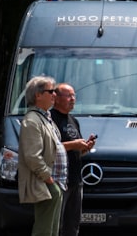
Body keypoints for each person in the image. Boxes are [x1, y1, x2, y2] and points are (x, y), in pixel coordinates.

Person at [18, 76, 67, 236]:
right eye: (51, 91)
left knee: (52, 230)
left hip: (54, 183)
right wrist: (48, 178)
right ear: (38, 95)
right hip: (45, 184)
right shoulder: (32, 120)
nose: (55, 95)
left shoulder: (45, 118)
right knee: (44, 230)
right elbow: (32, 156)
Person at [51, 83, 96, 236]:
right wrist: (74, 144)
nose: (73, 99)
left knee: (72, 225)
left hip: (76, 180)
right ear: (56, 98)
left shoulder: (73, 120)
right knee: (56, 224)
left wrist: (84, 147)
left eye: (74, 95)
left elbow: (75, 151)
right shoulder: (50, 120)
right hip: (58, 181)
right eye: (68, 95)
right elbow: (49, 148)